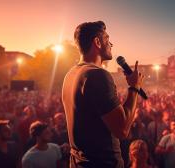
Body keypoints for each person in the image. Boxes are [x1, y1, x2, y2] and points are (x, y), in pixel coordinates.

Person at [62, 21, 144, 168]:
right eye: (107, 39)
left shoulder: (70, 74)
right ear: (97, 42)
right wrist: (134, 88)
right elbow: (122, 129)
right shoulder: (97, 75)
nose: (111, 44)